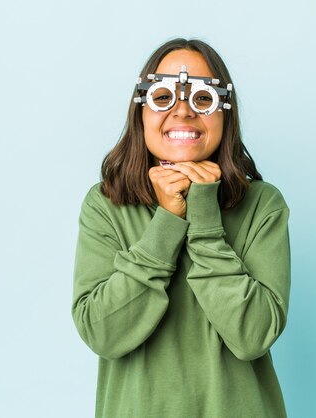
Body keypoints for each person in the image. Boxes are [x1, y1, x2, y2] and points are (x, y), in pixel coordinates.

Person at [72, 38, 291, 418]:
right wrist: (168, 222)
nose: (183, 111)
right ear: (141, 110)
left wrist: (204, 219)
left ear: (225, 112)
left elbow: (253, 335)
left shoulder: (262, 205)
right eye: (163, 96)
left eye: (203, 99)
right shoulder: (106, 204)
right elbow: (102, 333)